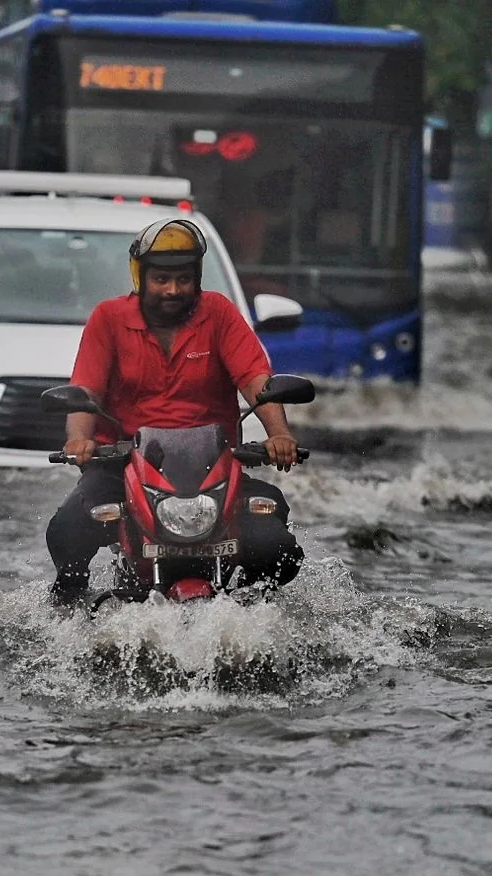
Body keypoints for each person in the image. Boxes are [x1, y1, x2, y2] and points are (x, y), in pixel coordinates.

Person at [46, 218, 304, 605]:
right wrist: (79, 440)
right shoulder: (109, 318)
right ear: (141, 277)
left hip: (210, 465)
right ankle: (67, 611)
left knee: (274, 541)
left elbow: (255, 379)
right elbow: (86, 389)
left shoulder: (218, 313)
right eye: (162, 280)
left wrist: (278, 435)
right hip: (123, 463)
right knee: (68, 529)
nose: (173, 290)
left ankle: (255, 609)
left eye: (184, 279)